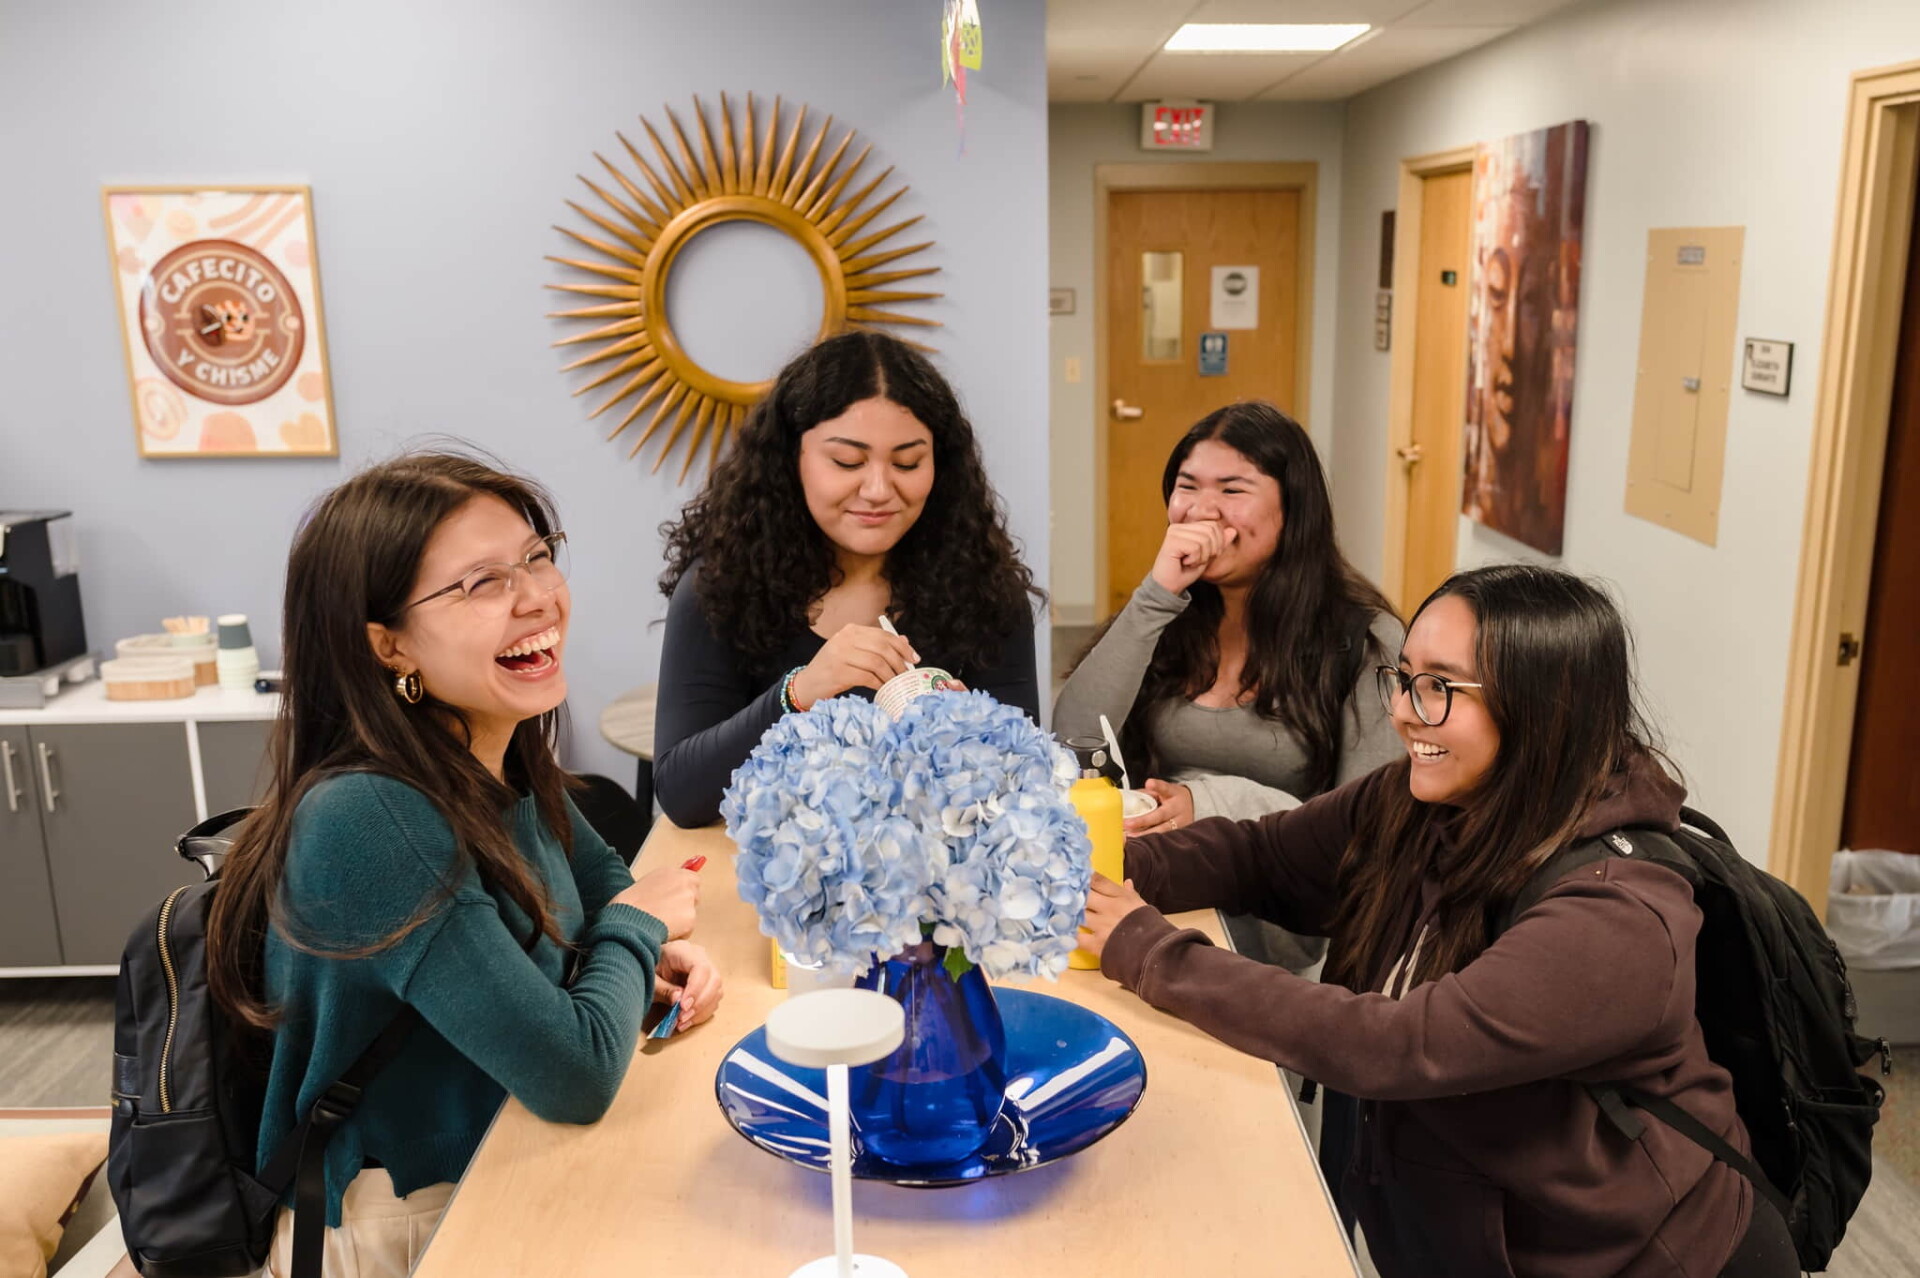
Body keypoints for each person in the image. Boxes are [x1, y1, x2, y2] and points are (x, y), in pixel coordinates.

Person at [1080, 564, 1795, 1278]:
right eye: (1405, 677)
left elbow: (1400, 1045)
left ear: (1545, 707)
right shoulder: (1422, 799)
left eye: (1440, 688)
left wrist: (1148, 950)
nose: (1403, 713)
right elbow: (1262, 855)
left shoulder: (1617, 915)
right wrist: (1090, 865)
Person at [205, 453, 720, 1276]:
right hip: (409, 1221)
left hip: (504, 1159)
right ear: (388, 644)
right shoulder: (370, 815)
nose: (537, 597)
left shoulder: (491, 749)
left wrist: (641, 943)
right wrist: (640, 926)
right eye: (481, 583)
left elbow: (597, 880)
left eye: (537, 555)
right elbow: (575, 1072)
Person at [1053, 401, 1401, 968]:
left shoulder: (1366, 639)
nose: (1202, 511)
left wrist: (1213, 801)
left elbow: (1367, 826)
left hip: (1285, 928)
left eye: (1233, 490)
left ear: (1293, 510)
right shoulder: (1165, 614)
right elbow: (1074, 741)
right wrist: (1156, 595)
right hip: (1150, 893)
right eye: (1187, 486)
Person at [653, 330, 1043, 828]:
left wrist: (979, 738)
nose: (879, 489)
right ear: (791, 459)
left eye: (908, 462)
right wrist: (800, 692)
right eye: (847, 462)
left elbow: (1026, 780)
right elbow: (683, 795)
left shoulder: (985, 589)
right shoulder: (722, 584)